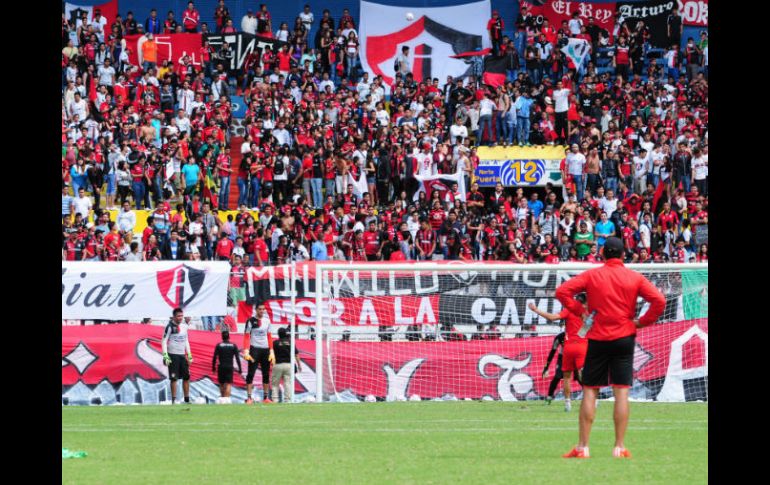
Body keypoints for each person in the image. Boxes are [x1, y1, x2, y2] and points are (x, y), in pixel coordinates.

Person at [556, 237, 666, 459]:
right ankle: (619, 447)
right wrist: (643, 321)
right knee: (622, 391)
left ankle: (583, 447)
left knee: (590, 390)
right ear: (624, 255)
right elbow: (660, 301)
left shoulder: (592, 275)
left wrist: (579, 310)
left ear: (603, 254)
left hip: (597, 337)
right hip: (624, 336)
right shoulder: (634, 277)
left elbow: (561, 292)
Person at [529, 293, 588, 412]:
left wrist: (536, 310)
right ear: (586, 303)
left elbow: (552, 317)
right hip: (582, 346)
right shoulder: (588, 313)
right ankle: (593, 399)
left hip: (568, 346)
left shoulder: (568, 311)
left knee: (566, 377)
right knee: (585, 374)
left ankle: (567, 404)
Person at [242, 305, 276, 404]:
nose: (262, 311)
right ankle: (249, 398)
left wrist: (271, 350)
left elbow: (269, 336)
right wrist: (246, 350)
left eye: (263, 309)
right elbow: (246, 336)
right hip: (254, 350)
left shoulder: (267, 321)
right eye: (260, 309)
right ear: (256, 310)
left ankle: (265, 398)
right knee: (250, 374)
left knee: (266, 374)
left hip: (265, 350)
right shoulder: (251, 321)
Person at [161, 307, 194, 404]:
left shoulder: (184, 326)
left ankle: (187, 399)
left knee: (186, 377)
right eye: (178, 316)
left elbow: (186, 341)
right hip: (173, 355)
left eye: (181, 316)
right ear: (174, 317)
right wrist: (165, 356)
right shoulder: (169, 326)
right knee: (174, 378)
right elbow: (163, 341)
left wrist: (190, 355)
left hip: (182, 356)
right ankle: (174, 401)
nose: (180, 318)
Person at [271, 327, 302, 403]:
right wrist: (299, 365)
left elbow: (271, 355)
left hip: (278, 365)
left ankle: (275, 400)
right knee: (287, 383)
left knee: (275, 384)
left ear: (278, 334)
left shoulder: (275, 343)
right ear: (286, 334)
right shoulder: (290, 342)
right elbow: (296, 354)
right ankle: (287, 400)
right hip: (289, 365)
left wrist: (271, 364)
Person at [212, 329, 242, 403]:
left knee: (221, 383)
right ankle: (227, 399)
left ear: (222, 337)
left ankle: (222, 399)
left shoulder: (219, 345)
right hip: (229, 366)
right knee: (228, 383)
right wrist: (240, 369)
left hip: (221, 366)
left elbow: (214, 357)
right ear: (229, 337)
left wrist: (213, 367)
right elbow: (237, 358)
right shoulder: (233, 345)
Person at [540, 328, 565, 405]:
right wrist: (546, 367)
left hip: (576, 357)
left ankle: (592, 398)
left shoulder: (580, 334)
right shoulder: (560, 337)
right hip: (562, 358)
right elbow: (552, 352)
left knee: (581, 378)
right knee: (557, 377)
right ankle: (549, 398)